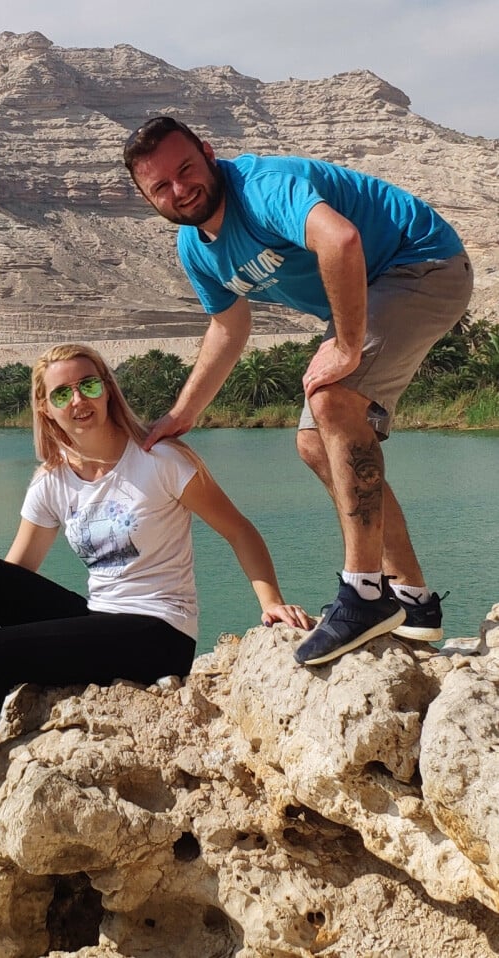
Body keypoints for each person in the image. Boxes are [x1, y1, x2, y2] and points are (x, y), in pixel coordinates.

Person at [0, 342, 311, 867]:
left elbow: (239, 530)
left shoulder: (160, 460)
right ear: (45, 407)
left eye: (89, 385)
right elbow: (16, 570)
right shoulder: (53, 477)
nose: (78, 400)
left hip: (159, 633)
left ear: (108, 390)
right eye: (62, 393)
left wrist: (270, 601)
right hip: (100, 620)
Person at [123, 116, 474, 667]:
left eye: (185, 169)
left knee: (332, 397)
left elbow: (341, 239)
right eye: (159, 186)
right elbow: (229, 327)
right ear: (147, 197)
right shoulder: (196, 248)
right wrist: (182, 413)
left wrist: (348, 345)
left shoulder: (261, 188)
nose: (178, 189)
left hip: (422, 264)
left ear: (209, 153)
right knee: (313, 444)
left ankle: (363, 594)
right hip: (380, 285)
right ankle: (413, 598)